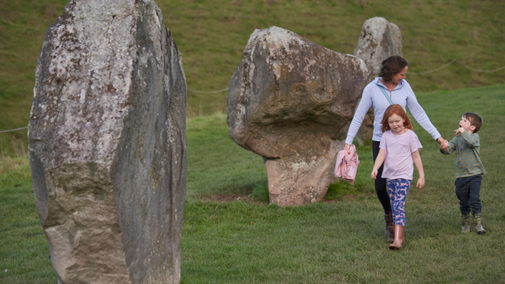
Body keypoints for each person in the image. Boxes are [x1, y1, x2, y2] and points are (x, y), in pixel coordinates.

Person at [344, 55, 446, 243]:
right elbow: (358, 116)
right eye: (401, 74)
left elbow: (418, 112)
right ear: (391, 73)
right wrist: (348, 142)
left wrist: (437, 136)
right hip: (381, 141)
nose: (404, 78)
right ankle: (389, 215)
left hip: (402, 142)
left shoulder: (405, 87)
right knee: (380, 186)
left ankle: (396, 225)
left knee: (398, 184)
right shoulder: (372, 89)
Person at [371, 104, 424, 250]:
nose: (395, 125)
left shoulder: (410, 136)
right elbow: (381, 154)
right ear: (386, 123)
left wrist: (421, 176)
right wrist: (375, 168)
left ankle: (398, 239)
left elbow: (416, 157)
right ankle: (397, 235)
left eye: (397, 121)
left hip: (404, 176)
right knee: (394, 205)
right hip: (390, 176)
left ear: (404, 120)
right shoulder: (386, 136)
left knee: (398, 205)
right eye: (391, 122)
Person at [440, 113, 486, 234]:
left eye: (465, 120)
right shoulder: (457, 138)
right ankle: (465, 221)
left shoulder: (475, 137)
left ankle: (478, 223)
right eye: (461, 119)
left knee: (474, 199)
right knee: (463, 200)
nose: (461, 121)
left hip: (475, 175)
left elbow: (470, 141)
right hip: (461, 176)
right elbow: (449, 149)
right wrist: (444, 147)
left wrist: (462, 132)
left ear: (472, 127)